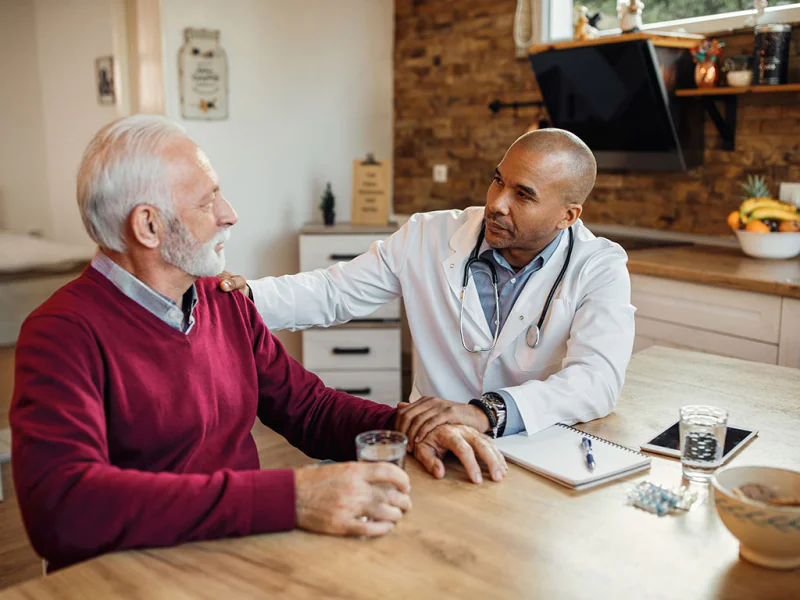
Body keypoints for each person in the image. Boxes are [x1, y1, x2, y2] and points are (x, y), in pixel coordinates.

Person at [10, 115, 506, 571]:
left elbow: (308, 409)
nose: (229, 215)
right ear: (148, 226)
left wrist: (406, 424)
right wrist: (290, 497)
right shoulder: (60, 333)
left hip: (237, 550)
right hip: (133, 573)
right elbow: (65, 509)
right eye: (206, 202)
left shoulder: (222, 299)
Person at [219, 129, 635, 448]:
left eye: (523, 195)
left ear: (568, 215)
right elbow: (333, 292)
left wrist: (487, 412)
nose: (497, 203)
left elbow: (596, 381)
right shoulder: (429, 234)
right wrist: (246, 297)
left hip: (533, 444)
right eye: (497, 181)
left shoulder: (599, 266)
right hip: (430, 438)